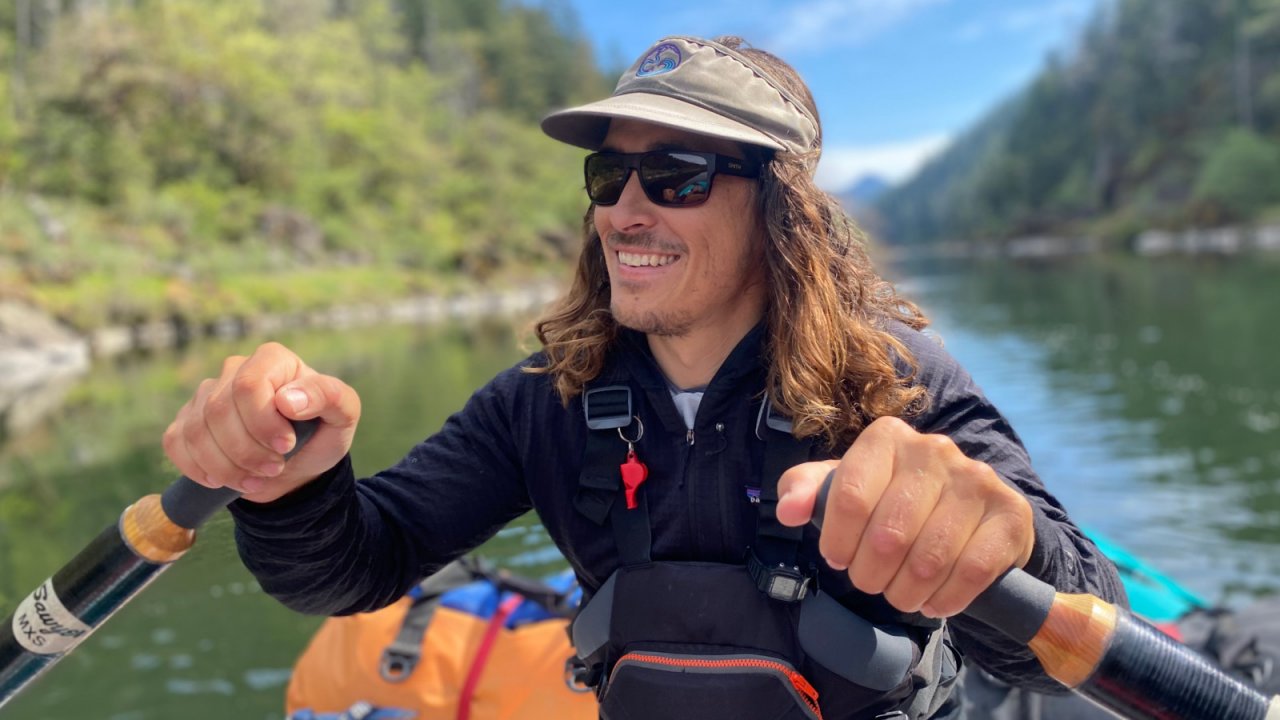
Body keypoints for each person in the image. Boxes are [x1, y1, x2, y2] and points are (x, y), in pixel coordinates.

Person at [163, 35, 1125, 719]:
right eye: (606, 179)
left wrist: (1008, 544)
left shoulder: (896, 379)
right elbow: (351, 569)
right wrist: (290, 487)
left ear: (778, 209)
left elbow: (1083, 637)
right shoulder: (545, 400)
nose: (625, 211)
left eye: (676, 176)